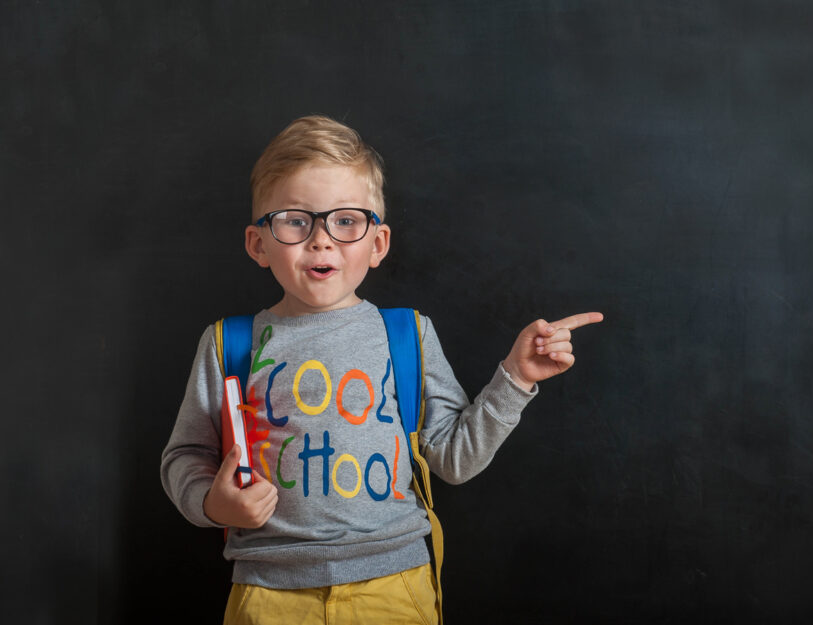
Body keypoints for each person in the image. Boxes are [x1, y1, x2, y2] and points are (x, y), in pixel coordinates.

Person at [160, 115, 603, 624]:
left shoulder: (407, 336)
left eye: (346, 220)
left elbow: (454, 460)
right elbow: (185, 457)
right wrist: (216, 507)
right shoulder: (227, 345)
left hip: (393, 588)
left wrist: (516, 378)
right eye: (295, 220)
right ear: (259, 243)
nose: (322, 240)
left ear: (378, 243)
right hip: (269, 592)